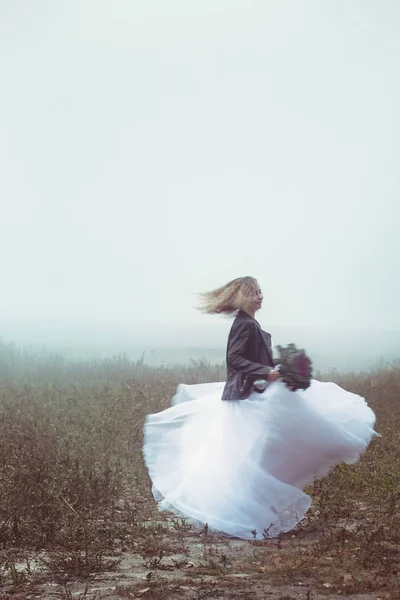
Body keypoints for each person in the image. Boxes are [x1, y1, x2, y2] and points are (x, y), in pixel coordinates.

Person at [143, 276, 378, 539]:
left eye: (260, 291)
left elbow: (253, 358)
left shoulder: (251, 323)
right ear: (239, 297)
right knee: (247, 457)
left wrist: (284, 366)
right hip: (244, 399)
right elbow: (235, 359)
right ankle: (238, 511)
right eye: (253, 292)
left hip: (250, 395)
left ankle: (249, 507)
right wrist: (267, 372)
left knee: (255, 454)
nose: (259, 296)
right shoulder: (243, 324)